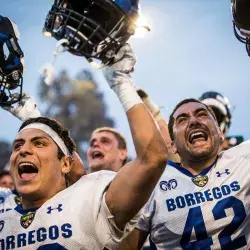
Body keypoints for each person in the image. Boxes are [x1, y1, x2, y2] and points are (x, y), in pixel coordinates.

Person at [0, 43, 168, 249]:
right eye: (17, 146)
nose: (23, 150)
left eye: (39, 143)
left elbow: (153, 158)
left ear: (65, 164)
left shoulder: (90, 200)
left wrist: (121, 82)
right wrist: (33, 117)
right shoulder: (4, 204)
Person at [120, 98, 250, 249]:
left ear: (221, 133)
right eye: (182, 119)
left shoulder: (243, 159)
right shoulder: (153, 182)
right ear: (173, 145)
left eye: (202, 114)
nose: (194, 121)